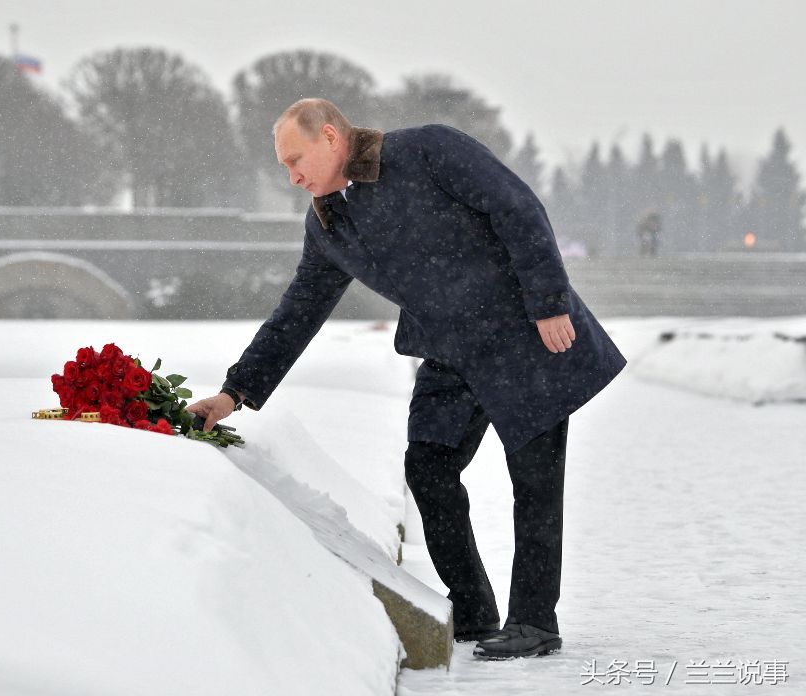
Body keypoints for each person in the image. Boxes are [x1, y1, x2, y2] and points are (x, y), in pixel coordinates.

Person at [187, 98, 626, 660]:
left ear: (330, 137)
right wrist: (235, 392)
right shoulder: (327, 220)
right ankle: (472, 610)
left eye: (296, 159)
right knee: (428, 466)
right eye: (284, 166)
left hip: (522, 338)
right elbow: (300, 308)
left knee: (534, 484)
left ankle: (535, 624)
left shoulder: (429, 152)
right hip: (447, 354)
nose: (291, 176)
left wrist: (547, 303)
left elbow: (517, 208)